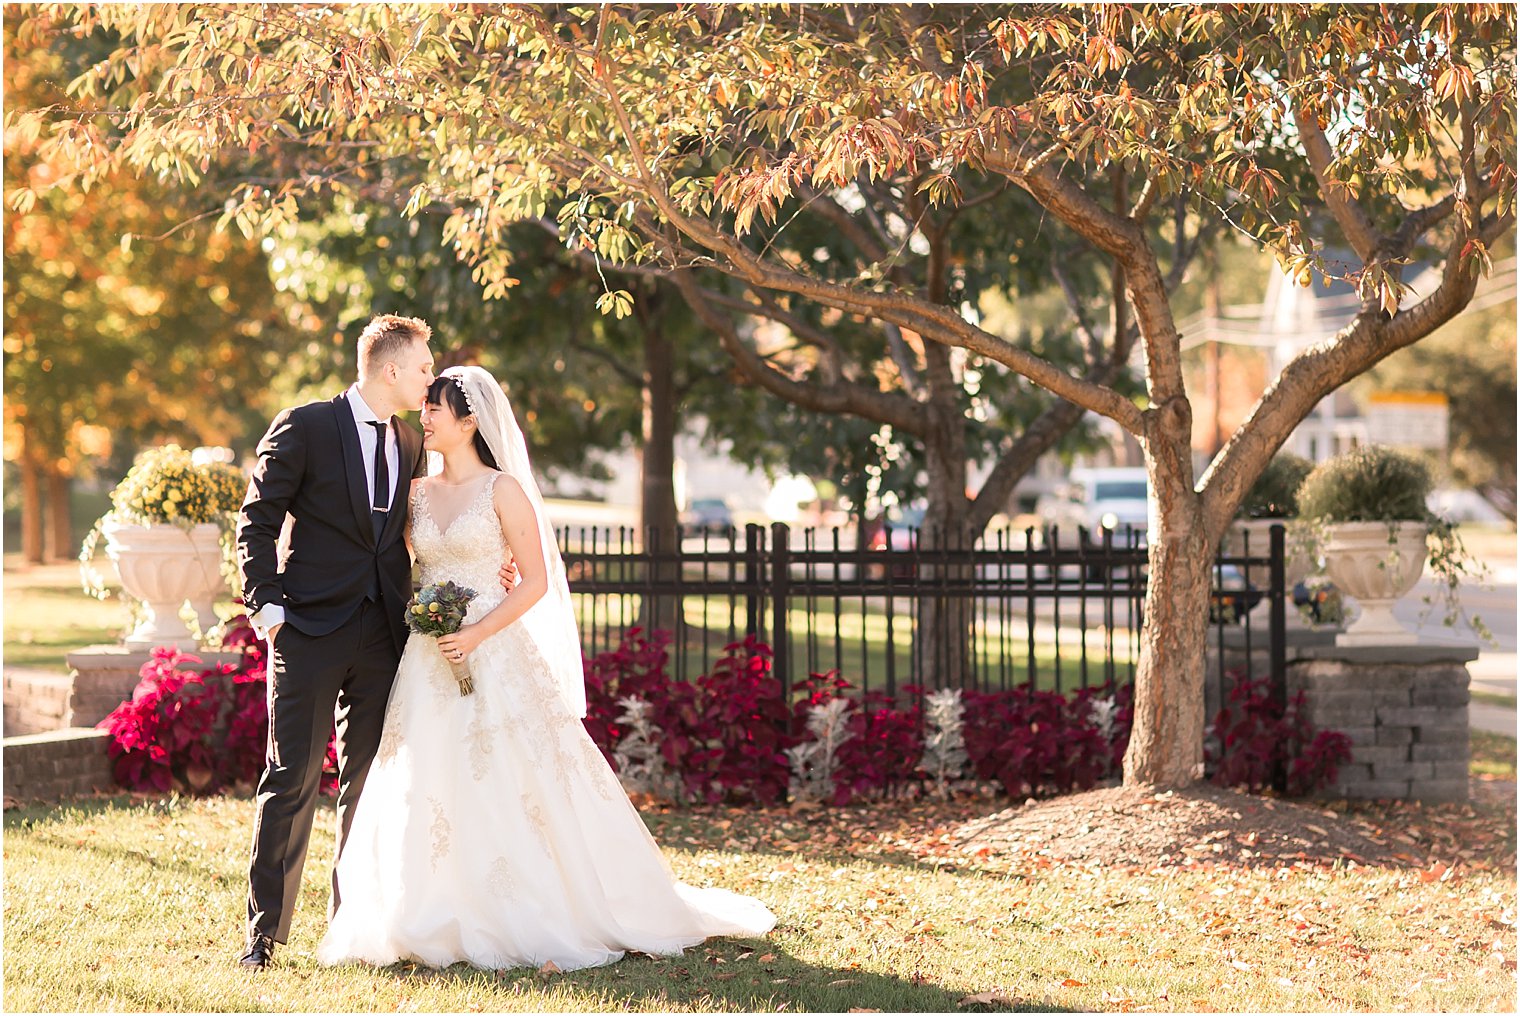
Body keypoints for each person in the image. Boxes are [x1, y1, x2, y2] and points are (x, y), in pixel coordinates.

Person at [317, 366, 775, 971]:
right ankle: (426, 911)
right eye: (423, 408)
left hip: (495, 650)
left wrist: (477, 630)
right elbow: (404, 566)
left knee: (513, 780)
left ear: (470, 421)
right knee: (428, 780)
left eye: (434, 409)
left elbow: (533, 582)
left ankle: (530, 908)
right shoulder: (416, 494)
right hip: (429, 657)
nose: (423, 418)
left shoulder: (503, 490)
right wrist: (426, 618)